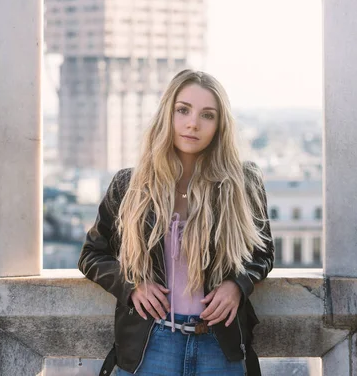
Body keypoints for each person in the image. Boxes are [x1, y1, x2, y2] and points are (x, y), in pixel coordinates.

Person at [78, 69, 274, 376]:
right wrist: (131, 286)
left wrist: (237, 285)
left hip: (218, 346)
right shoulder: (130, 185)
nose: (193, 123)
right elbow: (91, 255)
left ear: (220, 125)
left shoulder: (242, 183)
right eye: (183, 110)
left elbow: (263, 254)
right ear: (167, 114)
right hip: (151, 345)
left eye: (207, 115)